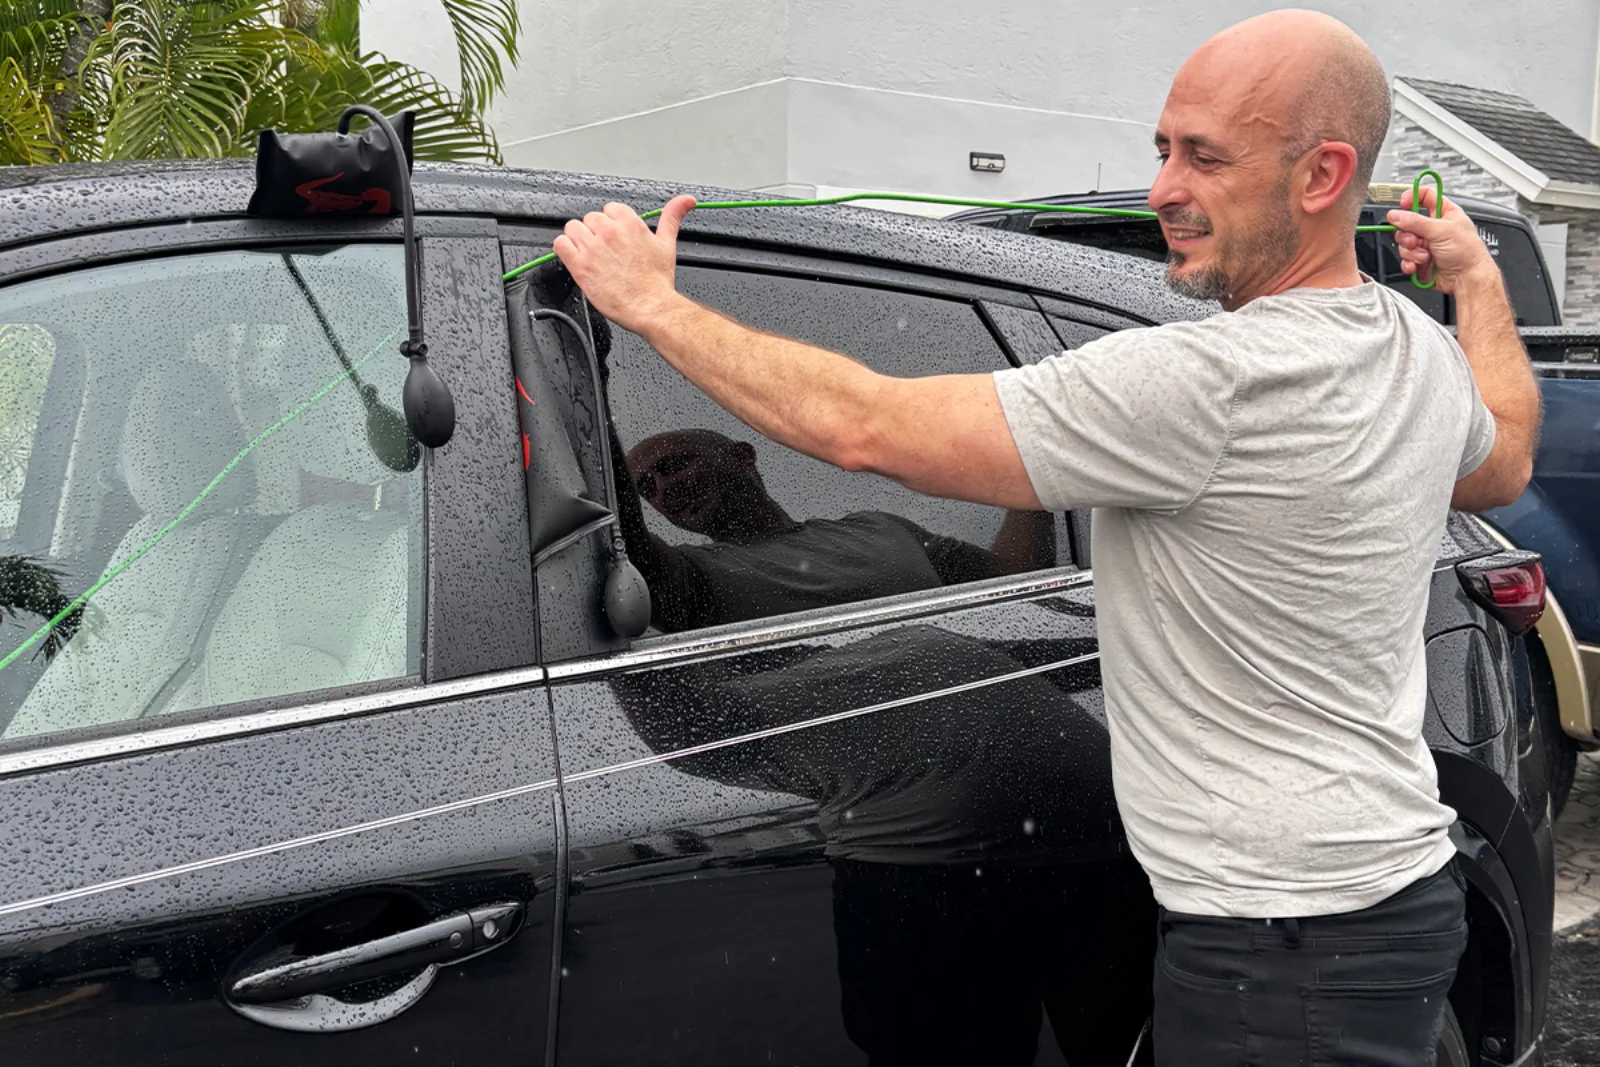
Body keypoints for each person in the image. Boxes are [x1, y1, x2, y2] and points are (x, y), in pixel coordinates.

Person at [553, 8, 1541, 1063]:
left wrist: (652, 306)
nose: (1162, 188)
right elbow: (1506, 461)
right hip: (1389, 901)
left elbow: (861, 425)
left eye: (1204, 156)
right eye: (1161, 148)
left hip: (1277, 945)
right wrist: (1476, 284)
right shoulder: (1407, 346)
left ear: (1322, 175)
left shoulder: (1206, 378)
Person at [610, 423, 1054, 631]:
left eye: (675, 465)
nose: (664, 490)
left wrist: (1035, 463)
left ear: (742, 455)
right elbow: (625, 540)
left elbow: (1015, 581)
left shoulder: (879, 528)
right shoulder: (695, 575)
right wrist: (590, 385)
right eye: (646, 489)